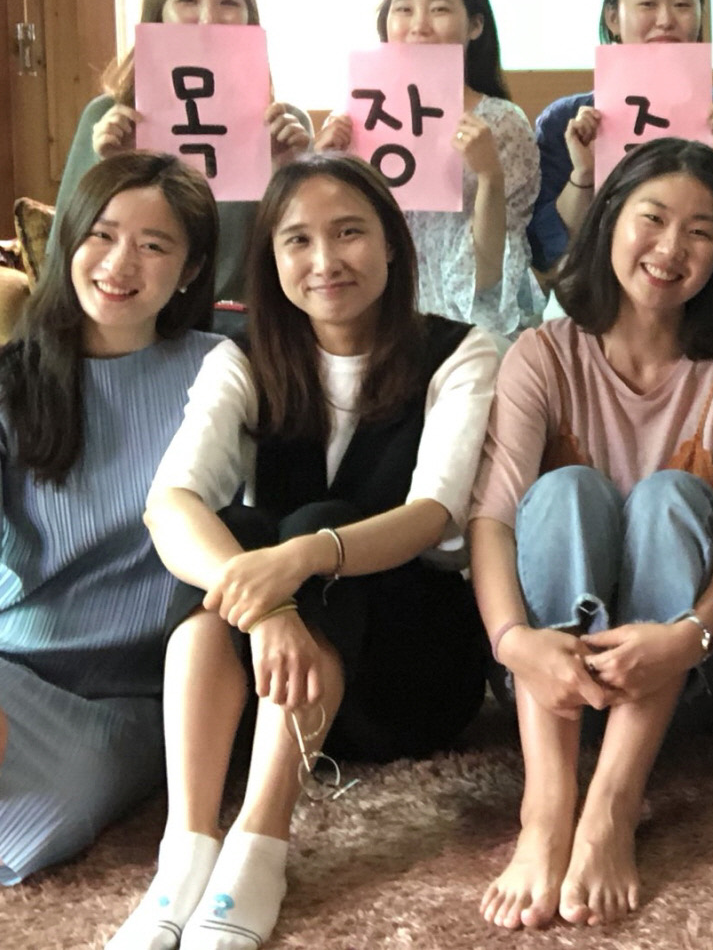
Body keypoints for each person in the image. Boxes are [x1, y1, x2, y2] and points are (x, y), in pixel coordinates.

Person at [108, 154, 499, 950]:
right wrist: (271, 605)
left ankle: (260, 841)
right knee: (235, 531)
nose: (325, 260)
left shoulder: (460, 351)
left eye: (349, 233)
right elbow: (168, 502)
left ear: (391, 244)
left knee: (308, 526)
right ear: (272, 258)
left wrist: (306, 558)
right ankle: (186, 848)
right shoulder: (242, 357)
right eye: (298, 240)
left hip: (409, 675)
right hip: (277, 682)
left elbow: (434, 513)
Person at [469, 137, 713, 931]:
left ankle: (610, 806)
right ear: (609, 219)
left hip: (694, 666)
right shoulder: (541, 354)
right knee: (567, 489)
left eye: (701, 232)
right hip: (548, 674)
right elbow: (492, 519)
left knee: (672, 496)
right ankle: (547, 809)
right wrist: (513, 642)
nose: (672, 249)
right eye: (654, 218)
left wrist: (686, 638)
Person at [0, 153, 222, 884]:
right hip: (2, 655)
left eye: (154, 244)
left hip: (137, 687)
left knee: (47, 822)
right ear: (70, 240)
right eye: (101, 235)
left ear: (191, 270)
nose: (119, 263)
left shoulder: (218, 372)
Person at [57, 0, 313, 305]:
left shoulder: (284, 128)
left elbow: (306, 253)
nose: (209, 18)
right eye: (188, 0)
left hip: (242, 319)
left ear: (250, 20)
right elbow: (64, 251)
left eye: (228, 2)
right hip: (134, 311)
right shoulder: (106, 120)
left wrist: (284, 172)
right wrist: (113, 166)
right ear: (158, 16)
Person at [316, 0, 542, 337]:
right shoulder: (358, 118)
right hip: (373, 319)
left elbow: (489, 276)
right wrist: (325, 168)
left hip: (466, 329)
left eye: (438, 9)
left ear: (475, 26)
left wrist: (489, 176)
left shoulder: (502, 123)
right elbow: (335, 239)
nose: (418, 26)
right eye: (403, 9)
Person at [526, 0, 713, 276]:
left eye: (682, 4)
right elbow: (550, 251)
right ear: (613, 17)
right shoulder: (565, 123)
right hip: (597, 292)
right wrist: (583, 175)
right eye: (647, 3)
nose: (666, 20)